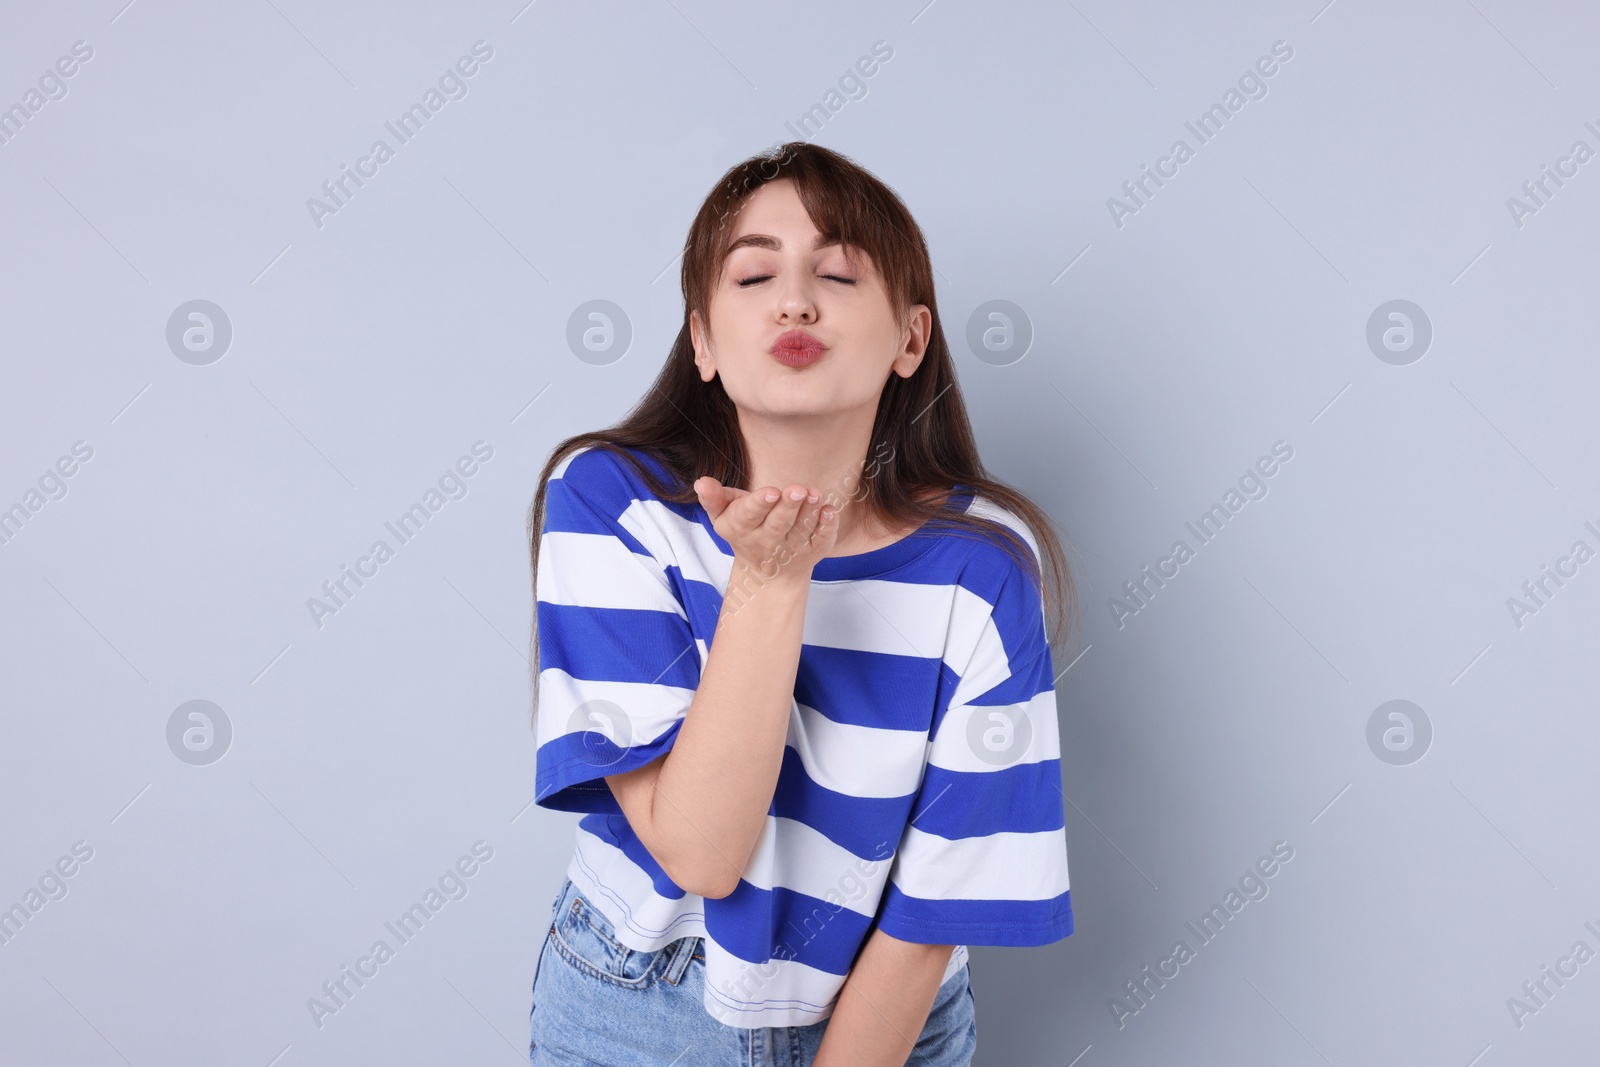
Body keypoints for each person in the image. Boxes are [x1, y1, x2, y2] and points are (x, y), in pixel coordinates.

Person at [525, 140, 1080, 1066]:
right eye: (753, 276)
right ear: (701, 338)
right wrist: (770, 581)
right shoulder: (611, 504)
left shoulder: (981, 566)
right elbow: (701, 854)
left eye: (836, 272)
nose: (794, 300)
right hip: (640, 1003)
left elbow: (934, 907)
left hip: (890, 1010)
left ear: (910, 338)